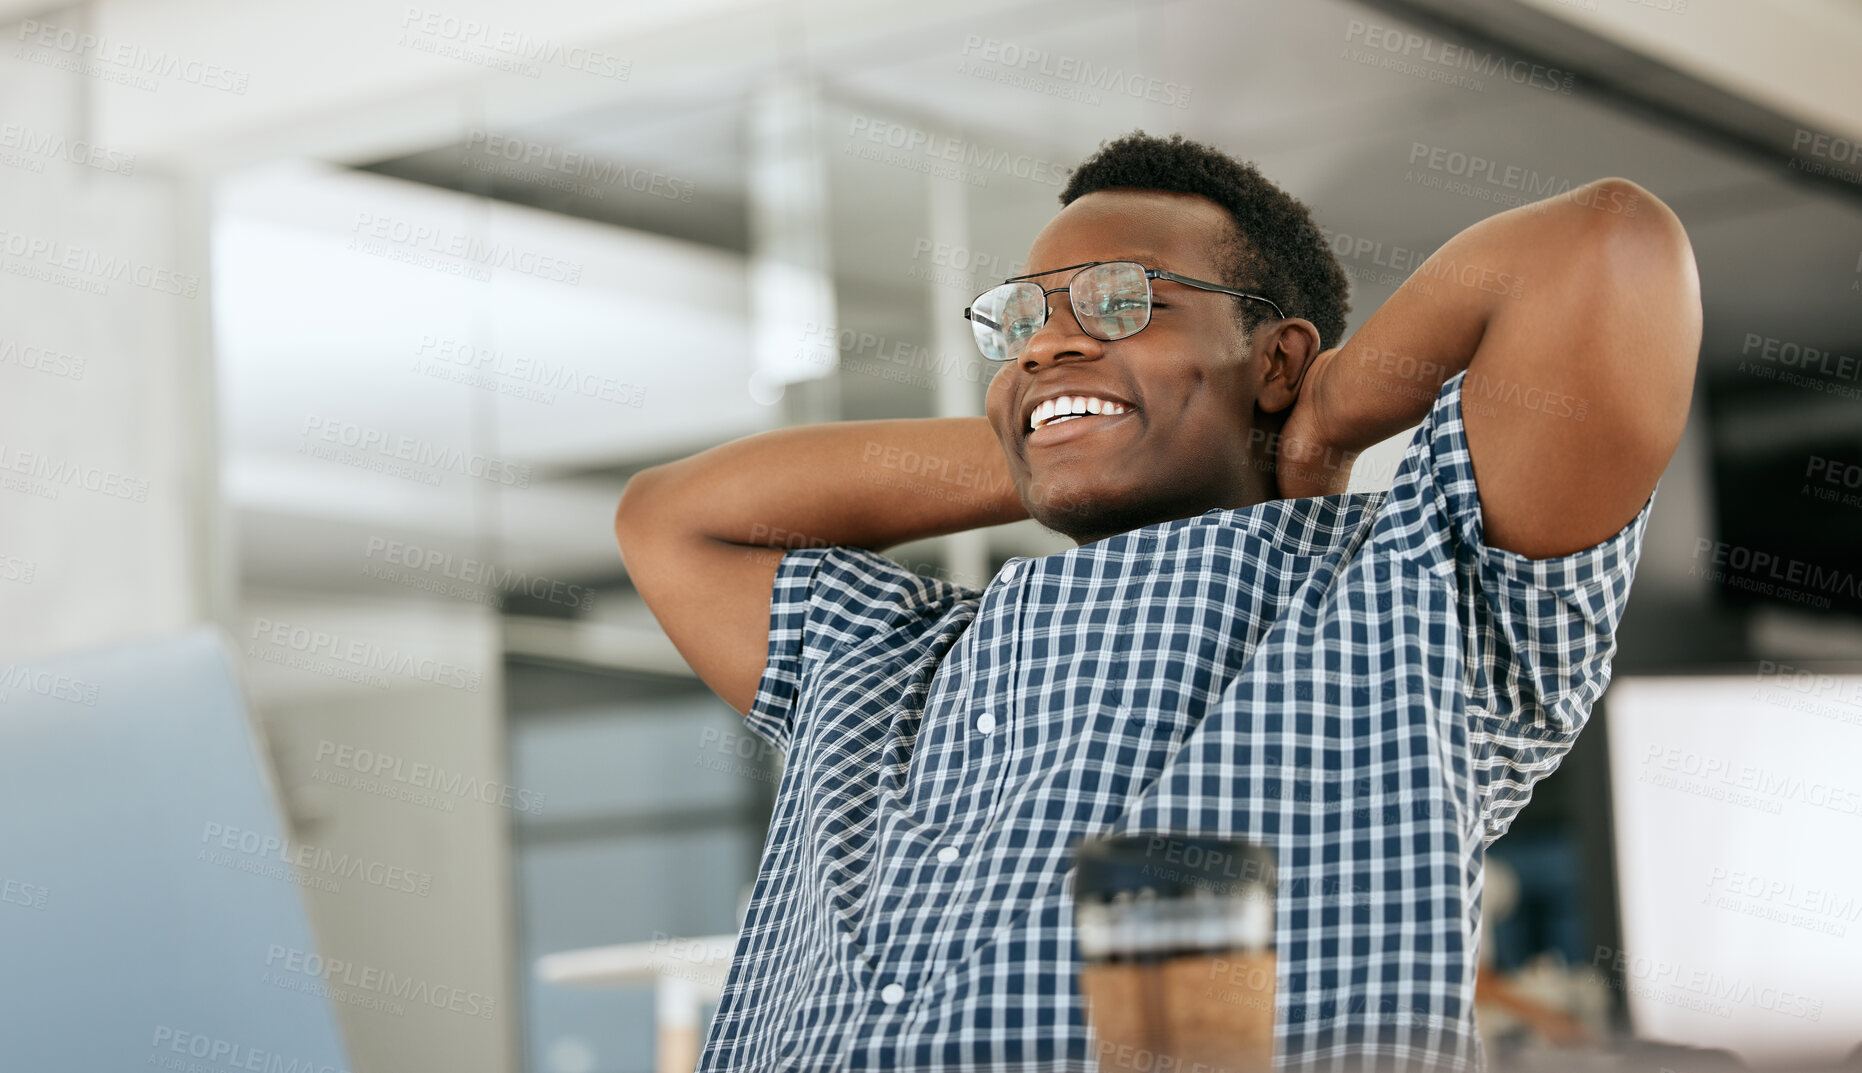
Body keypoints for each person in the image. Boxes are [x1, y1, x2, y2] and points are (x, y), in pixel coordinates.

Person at [613, 131, 1700, 1071]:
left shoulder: (1412, 591)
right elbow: (670, 518)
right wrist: (1062, 428)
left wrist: (1314, 422)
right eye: (1022, 323)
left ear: (1274, 357)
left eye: (1119, 301)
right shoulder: (897, 655)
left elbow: (1607, 246)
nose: (1043, 341)